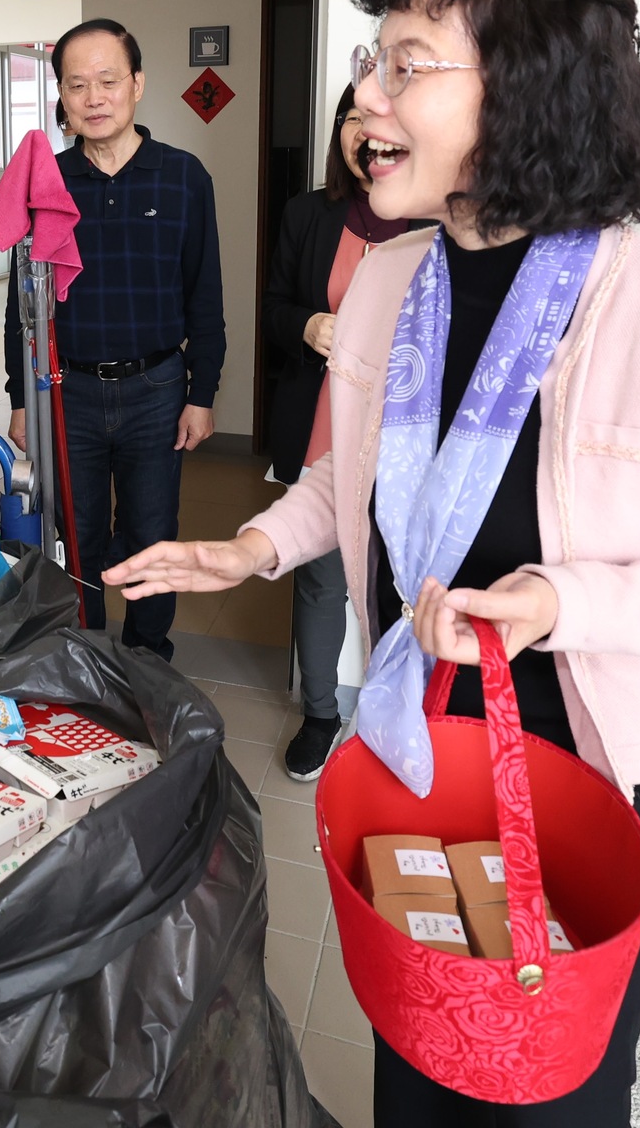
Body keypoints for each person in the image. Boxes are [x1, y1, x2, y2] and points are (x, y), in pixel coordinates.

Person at [103, 0, 640, 1125]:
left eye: (407, 63)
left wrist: (564, 601)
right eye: (370, 60)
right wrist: (253, 543)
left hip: (588, 778)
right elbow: (361, 486)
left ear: (532, 91)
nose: (369, 99)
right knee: (422, 1046)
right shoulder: (391, 279)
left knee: (555, 1075)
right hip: (420, 748)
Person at [4, 18, 226, 660]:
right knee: (75, 532)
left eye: (108, 81)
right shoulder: (47, 186)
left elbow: (204, 295)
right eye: (78, 85)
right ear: (62, 98)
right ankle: (85, 655)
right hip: (65, 387)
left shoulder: (183, 177)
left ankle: (147, 656)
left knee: (153, 532)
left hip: (156, 387)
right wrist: (21, 398)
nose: (94, 97)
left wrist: (201, 392)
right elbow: (20, 306)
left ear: (137, 85)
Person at [262, 82, 423, 780]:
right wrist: (305, 324)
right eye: (355, 117)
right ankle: (322, 712)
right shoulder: (308, 214)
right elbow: (270, 308)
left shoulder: (444, 222)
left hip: (411, 436)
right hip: (326, 424)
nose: (369, 131)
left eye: (385, 118)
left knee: (411, 582)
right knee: (322, 580)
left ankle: (411, 715)